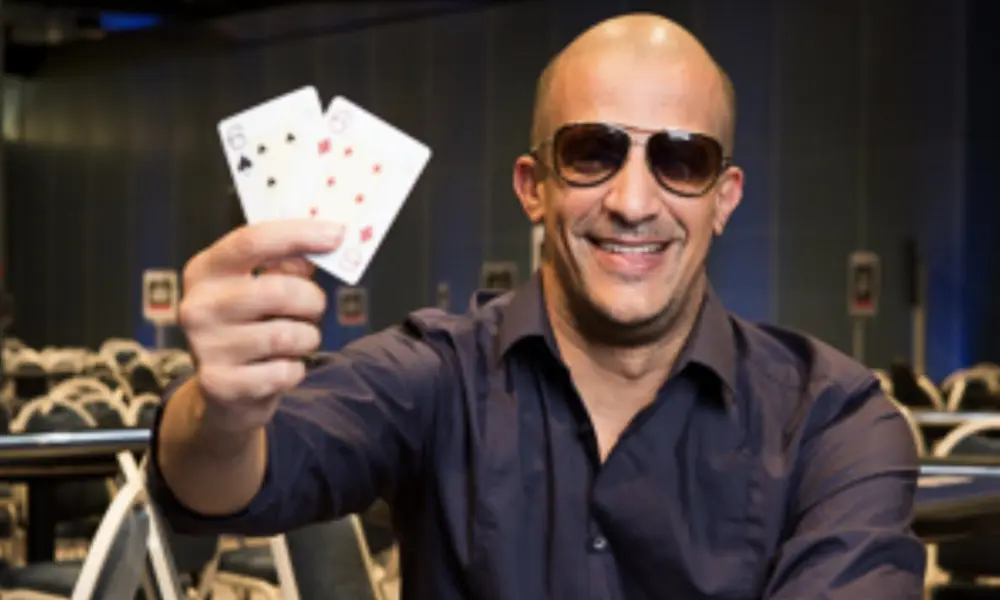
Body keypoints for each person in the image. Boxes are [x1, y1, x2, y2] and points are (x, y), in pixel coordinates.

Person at [148, 12, 926, 599]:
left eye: (681, 160)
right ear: (533, 187)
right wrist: (219, 413)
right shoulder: (434, 375)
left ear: (722, 199)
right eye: (593, 152)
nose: (632, 202)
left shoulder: (834, 422)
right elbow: (223, 486)